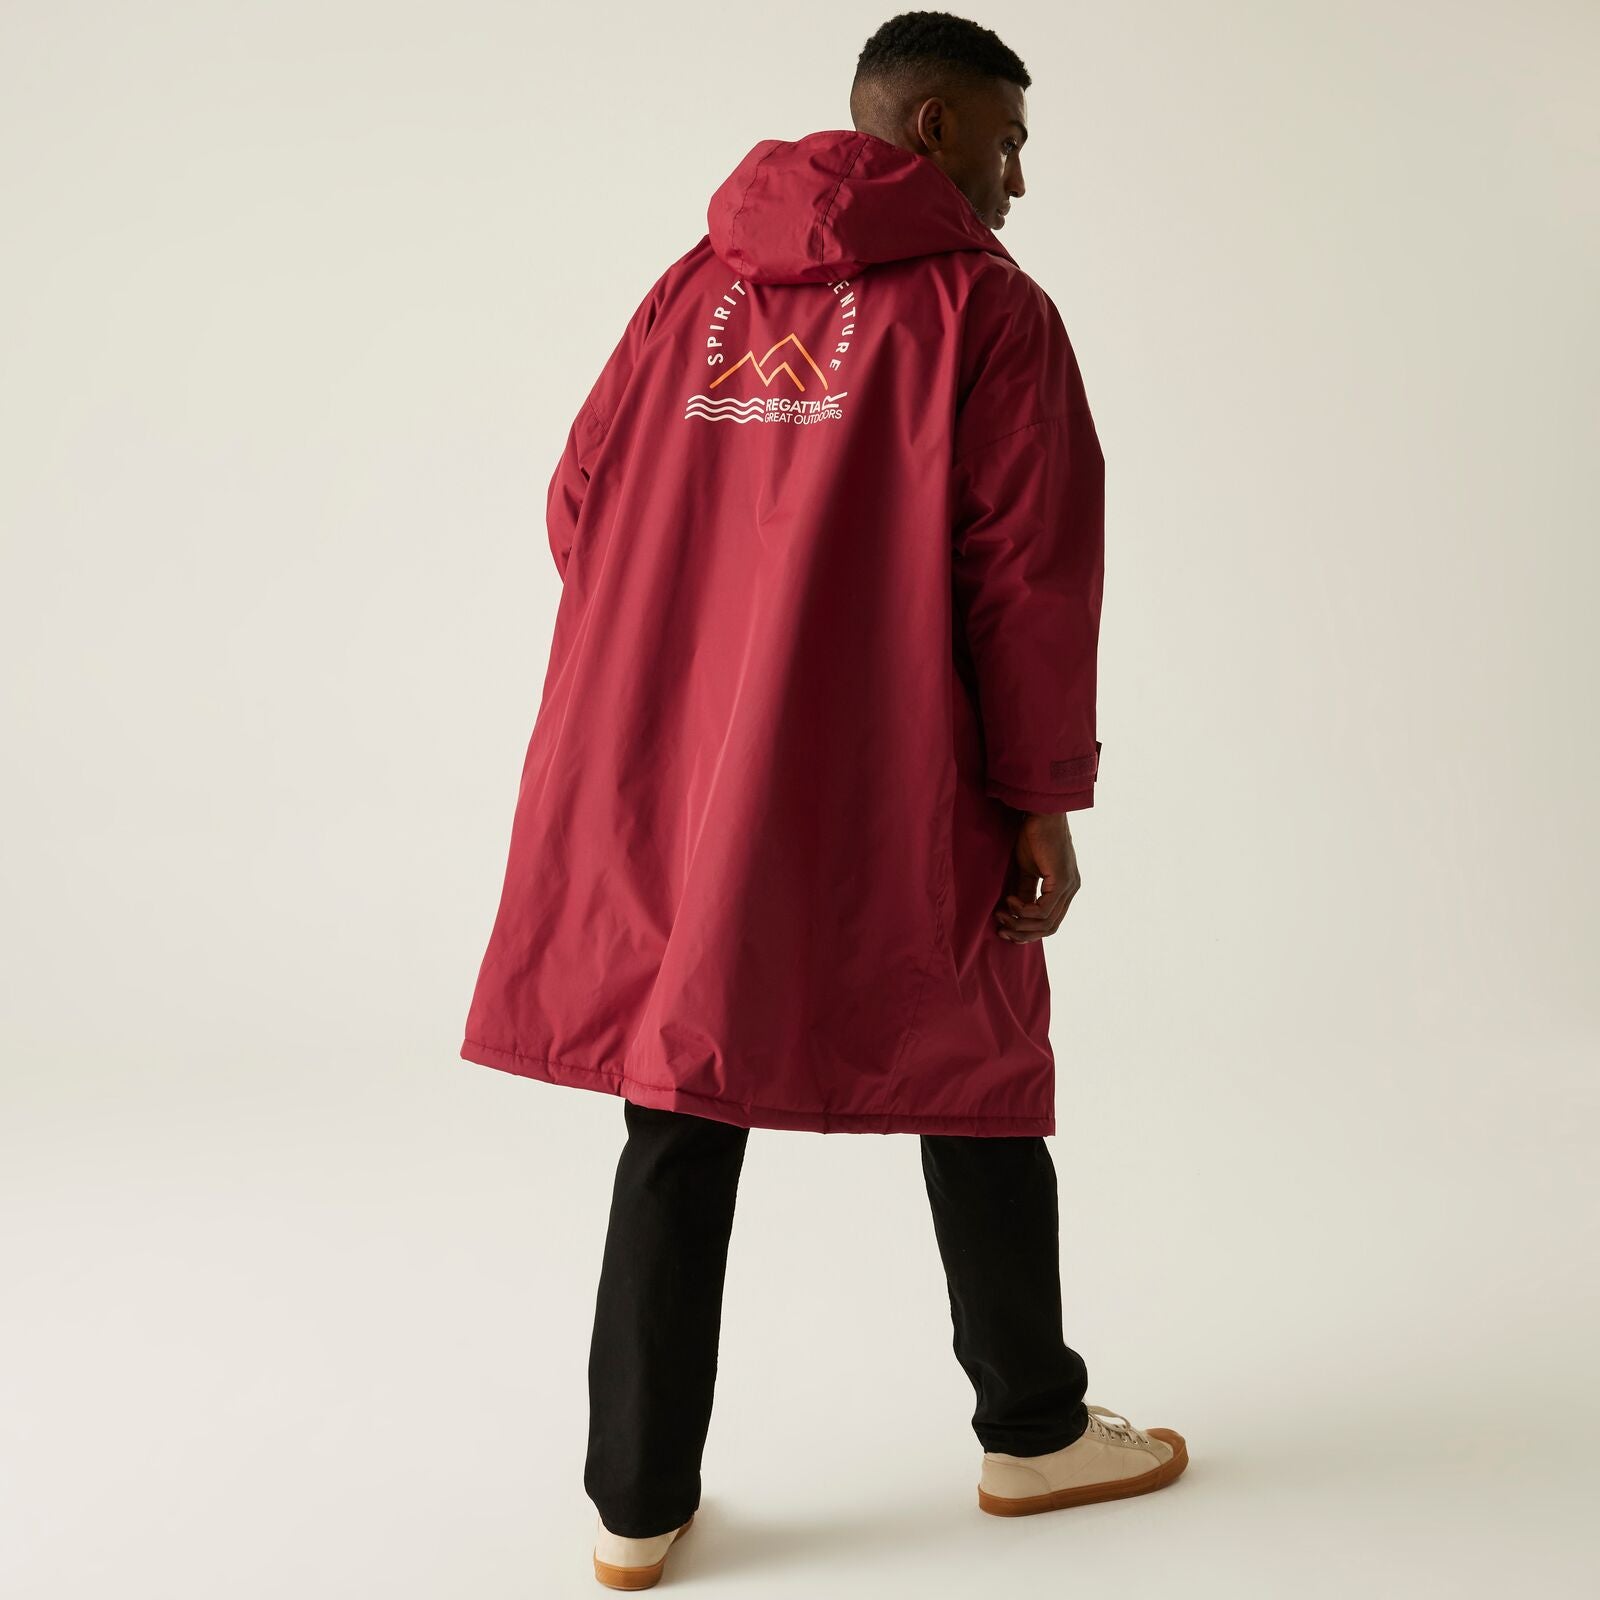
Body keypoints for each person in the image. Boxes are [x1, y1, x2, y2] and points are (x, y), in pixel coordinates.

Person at [459, 11, 1188, 1588]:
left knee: (682, 1084)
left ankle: (637, 1504)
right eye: (1006, 144)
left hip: (690, 770)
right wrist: (1041, 797)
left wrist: (711, 651)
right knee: (976, 1062)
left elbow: (580, 498)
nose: (1016, 183)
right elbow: (1025, 578)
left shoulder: (693, 287)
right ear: (934, 127)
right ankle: (1033, 1429)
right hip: (895, 767)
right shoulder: (987, 312)